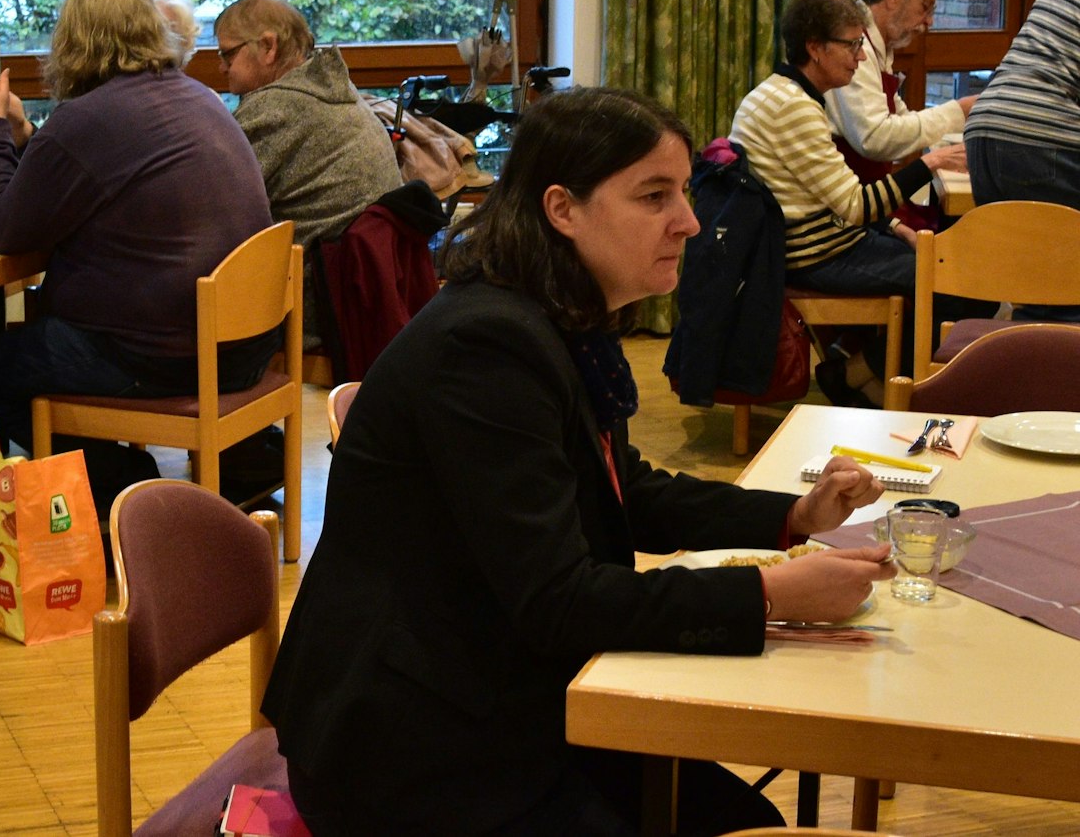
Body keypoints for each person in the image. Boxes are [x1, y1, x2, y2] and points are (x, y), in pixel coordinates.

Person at [263, 88, 892, 836]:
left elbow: (620, 486)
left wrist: (790, 515)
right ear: (562, 209)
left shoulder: (547, 314)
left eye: (683, 192)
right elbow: (558, 601)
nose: (688, 221)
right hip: (411, 746)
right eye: (653, 196)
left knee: (742, 817)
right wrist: (771, 594)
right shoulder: (486, 348)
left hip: (491, 692)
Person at [0, 0, 276, 510]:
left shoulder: (87, 119)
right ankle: (152, 473)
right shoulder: (195, 95)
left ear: (71, 42)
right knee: (43, 337)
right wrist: (23, 136)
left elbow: (9, 229)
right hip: (247, 343)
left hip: (170, 357)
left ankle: (123, 485)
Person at [730, 0, 969, 403]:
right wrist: (929, 164)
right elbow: (855, 207)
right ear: (815, 47)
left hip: (818, 241)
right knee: (961, 282)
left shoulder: (785, 94)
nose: (861, 57)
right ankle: (860, 374)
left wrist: (895, 227)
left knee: (943, 263)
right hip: (813, 255)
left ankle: (857, 370)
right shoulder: (794, 108)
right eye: (852, 45)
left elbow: (835, 194)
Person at [214, 0, 401, 338]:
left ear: (268, 47)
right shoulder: (338, 92)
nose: (221, 66)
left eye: (228, 53)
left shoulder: (276, 108)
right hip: (361, 298)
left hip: (314, 309)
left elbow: (212, 210)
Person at [964, 0, 1080, 321]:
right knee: (1066, 289)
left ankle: (1024, 369)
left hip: (985, 131)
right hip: (1039, 135)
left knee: (1038, 282)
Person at [823, 0, 976, 178]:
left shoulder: (879, 47)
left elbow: (901, 120)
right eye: (925, 6)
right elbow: (874, 137)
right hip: (852, 198)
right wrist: (958, 111)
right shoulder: (855, 47)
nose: (929, 21)